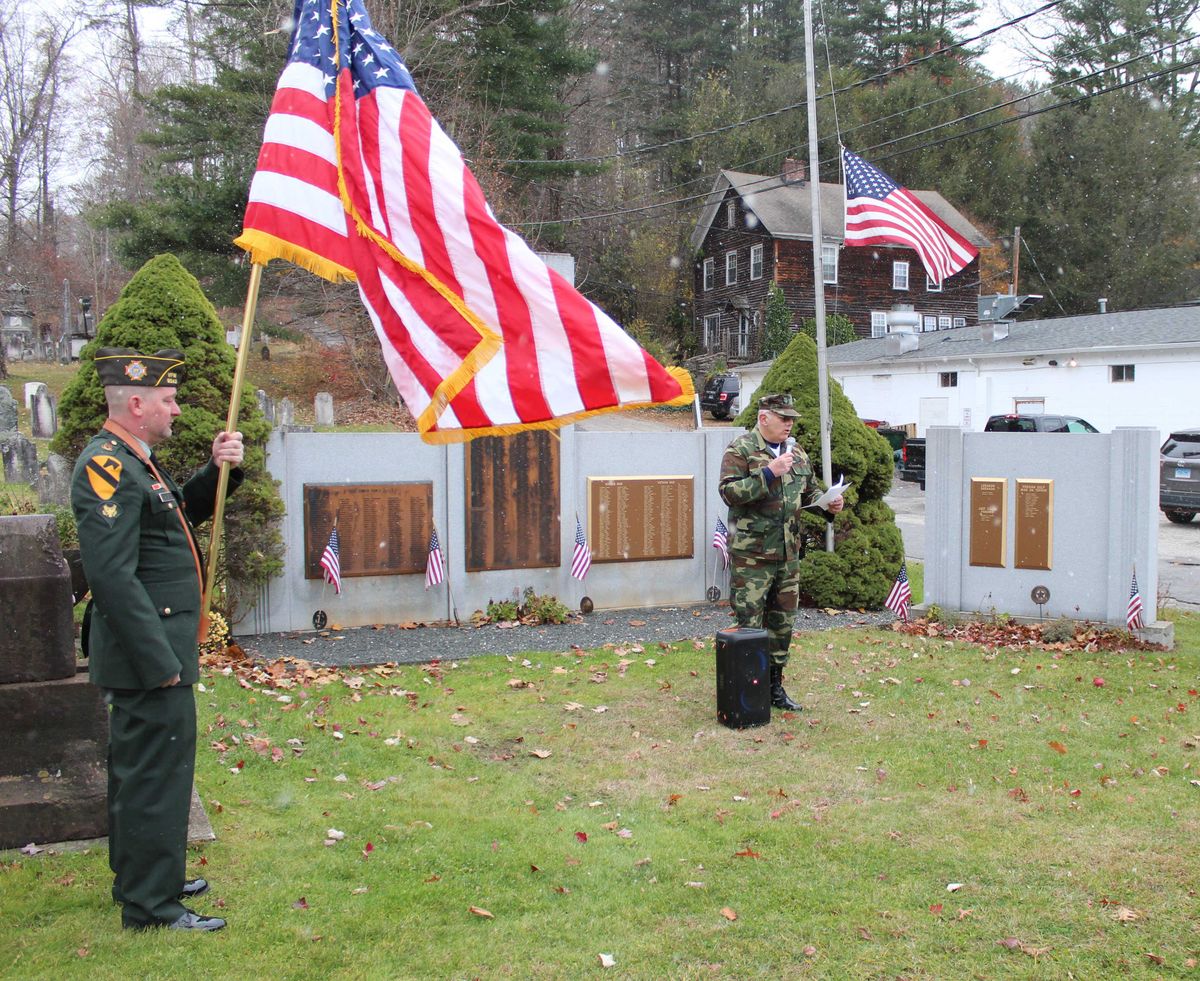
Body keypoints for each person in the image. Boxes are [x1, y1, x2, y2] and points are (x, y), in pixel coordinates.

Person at [70, 347, 244, 932]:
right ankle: (151, 906)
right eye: (168, 400)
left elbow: (177, 515)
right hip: (149, 657)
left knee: (140, 773)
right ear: (137, 404)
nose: (177, 410)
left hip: (156, 651)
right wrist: (159, 661)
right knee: (155, 779)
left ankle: (143, 878)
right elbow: (112, 577)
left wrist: (217, 470)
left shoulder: (135, 461)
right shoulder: (107, 466)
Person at [718, 392, 845, 712]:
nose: (789, 424)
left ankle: (774, 686)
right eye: (783, 418)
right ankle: (747, 691)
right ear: (764, 418)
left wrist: (829, 503)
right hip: (753, 557)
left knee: (782, 624)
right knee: (749, 623)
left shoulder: (796, 452)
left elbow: (809, 492)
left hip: (788, 555)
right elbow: (729, 493)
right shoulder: (741, 449)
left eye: (792, 419)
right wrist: (768, 473)